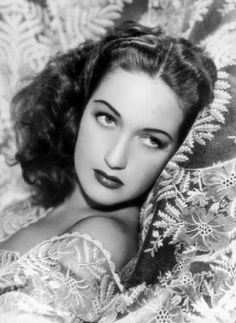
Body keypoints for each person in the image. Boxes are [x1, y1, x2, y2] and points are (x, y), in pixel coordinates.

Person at [0, 21, 217, 322]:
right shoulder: (38, 202)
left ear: (177, 153)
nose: (115, 158)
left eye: (151, 140)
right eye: (107, 118)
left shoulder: (102, 239)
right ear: (78, 108)